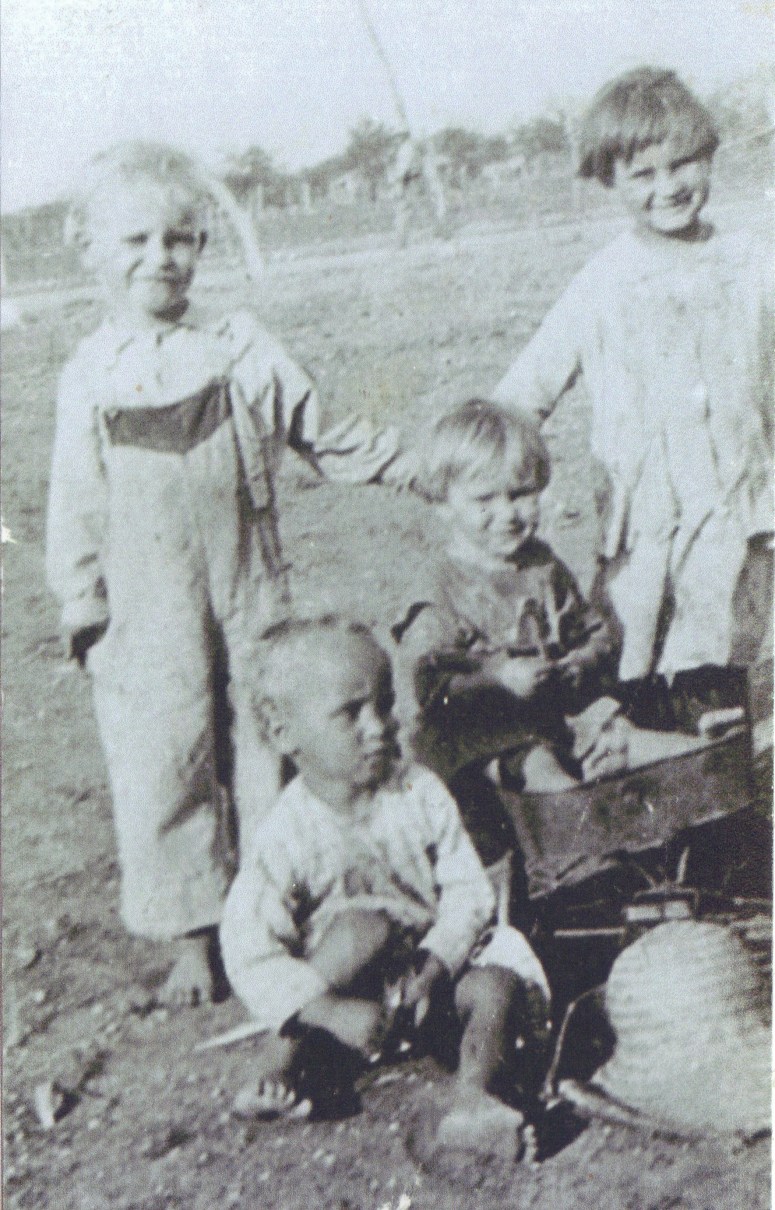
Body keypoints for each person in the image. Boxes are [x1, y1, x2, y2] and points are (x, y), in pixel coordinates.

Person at [45, 142, 395, 1007]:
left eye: (179, 238)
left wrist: (411, 466)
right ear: (90, 249)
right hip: (145, 610)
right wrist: (82, 603)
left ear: (200, 246)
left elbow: (320, 429)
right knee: (164, 758)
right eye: (135, 241)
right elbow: (74, 500)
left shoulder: (238, 348)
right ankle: (192, 934)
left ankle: (276, 913)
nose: (159, 258)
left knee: (265, 741)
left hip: (249, 589)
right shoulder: (91, 375)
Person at [492, 68, 773, 733]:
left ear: (708, 156)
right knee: (649, 688)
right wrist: (496, 493)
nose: (667, 187)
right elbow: (520, 398)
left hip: (747, 522)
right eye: (642, 174)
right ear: (608, 179)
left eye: (682, 164)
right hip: (648, 536)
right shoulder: (601, 286)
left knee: (749, 677)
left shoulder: (753, 265)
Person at [220, 617, 550, 1158]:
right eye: (351, 713)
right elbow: (250, 948)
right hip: (340, 1001)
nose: (378, 726)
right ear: (284, 733)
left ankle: (473, 1100)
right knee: (362, 930)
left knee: (495, 986)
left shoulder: (418, 792)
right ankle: (278, 1065)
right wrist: (327, 1010)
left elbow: (467, 892)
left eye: (384, 704)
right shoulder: (285, 833)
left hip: (422, 982)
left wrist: (436, 962)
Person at [388, 131, 449, 248]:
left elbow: (403, 170)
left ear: (401, 136)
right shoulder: (408, 147)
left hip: (410, 181)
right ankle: (438, 233)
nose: (395, 139)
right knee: (417, 209)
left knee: (407, 210)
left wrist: (397, 182)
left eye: (397, 136)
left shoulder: (405, 148)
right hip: (413, 181)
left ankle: (402, 241)